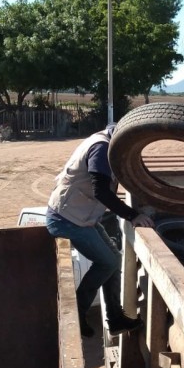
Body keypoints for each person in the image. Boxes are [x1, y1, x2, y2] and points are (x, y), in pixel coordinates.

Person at [46, 123, 154, 337]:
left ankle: (115, 318)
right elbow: (101, 192)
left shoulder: (110, 144)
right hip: (66, 219)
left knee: (113, 257)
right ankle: (76, 311)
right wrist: (133, 215)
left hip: (82, 216)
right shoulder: (102, 149)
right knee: (109, 262)